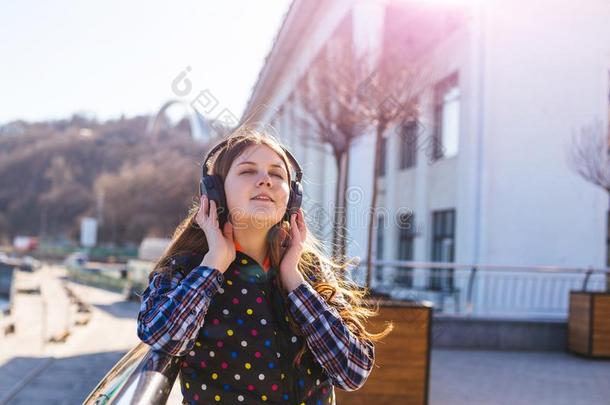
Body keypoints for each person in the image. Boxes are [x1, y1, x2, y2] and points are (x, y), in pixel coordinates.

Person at [137, 130, 392, 404]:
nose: (265, 181)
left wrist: (294, 282)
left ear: (293, 198)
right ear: (215, 191)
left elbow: (353, 371)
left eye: (277, 174)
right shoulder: (187, 267)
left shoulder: (309, 269)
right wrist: (213, 266)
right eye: (248, 171)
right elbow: (163, 338)